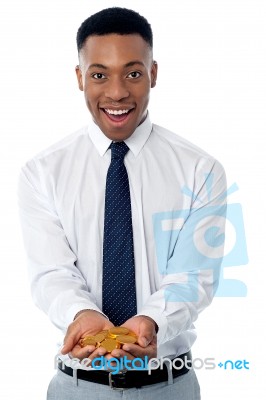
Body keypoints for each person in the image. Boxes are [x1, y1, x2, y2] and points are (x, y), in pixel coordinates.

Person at [18, 7, 227, 400]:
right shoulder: (42, 172)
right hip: (77, 387)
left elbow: (193, 276)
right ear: (80, 78)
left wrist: (151, 320)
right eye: (99, 74)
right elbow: (51, 274)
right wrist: (82, 316)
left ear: (154, 74)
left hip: (169, 386)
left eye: (133, 72)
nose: (116, 92)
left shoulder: (200, 170)